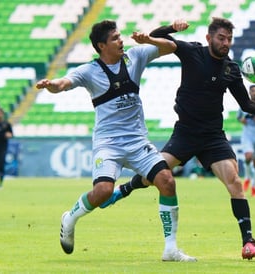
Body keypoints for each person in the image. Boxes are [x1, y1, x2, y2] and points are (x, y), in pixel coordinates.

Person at [99, 18, 255, 260]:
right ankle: (124, 189)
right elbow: (157, 37)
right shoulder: (192, 51)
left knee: (235, 181)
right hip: (185, 133)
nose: (225, 43)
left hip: (212, 137)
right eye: (221, 38)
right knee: (154, 174)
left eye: (229, 39)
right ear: (209, 38)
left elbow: (246, 104)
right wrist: (171, 29)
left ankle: (248, 242)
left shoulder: (231, 69)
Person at [36, 20, 196, 262]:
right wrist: (51, 85)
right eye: (115, 38)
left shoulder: (135, 57)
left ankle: (170, 249)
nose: (121, 41)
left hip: (137, 141)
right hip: (108, 143)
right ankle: (70, 217)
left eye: (121, 36)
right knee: (103, 191)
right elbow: (63, 83)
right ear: (101, 46)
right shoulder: (90, 71)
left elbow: (171, 48)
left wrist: (150, 40)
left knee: (167, 181)